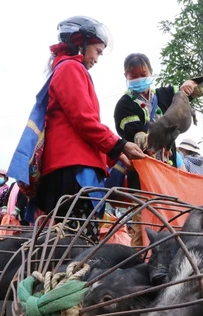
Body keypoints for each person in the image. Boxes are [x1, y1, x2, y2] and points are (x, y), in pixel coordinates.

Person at [35, 16, 145, 242]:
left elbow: (82, 125)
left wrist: (116, 153)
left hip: (72, 166)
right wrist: (120, 144)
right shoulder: (71, 68)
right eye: (97, 50)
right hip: (73, 171)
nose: (97, 57)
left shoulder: (68, 68)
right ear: (80, 43)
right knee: (78, 246)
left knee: (74, 244)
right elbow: (83, 120)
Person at [114, 53, 198, 189]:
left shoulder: (164, 94)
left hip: (169, 169)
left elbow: (200, 88)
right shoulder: (124, 105)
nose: (139, 79)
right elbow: (136, 137)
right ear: (126, 76)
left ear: (151, 72)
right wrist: (157, 142)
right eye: (134, 76)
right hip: (143, 172)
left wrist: (192, 83)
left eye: (143, 74)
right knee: (146, 207)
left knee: (171, 207)